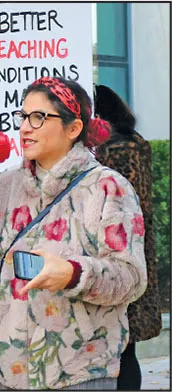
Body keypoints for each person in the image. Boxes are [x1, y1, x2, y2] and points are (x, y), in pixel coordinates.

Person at [0, 76, 146, 390]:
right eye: (23, 117)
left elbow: (130, 279)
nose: (24, 128)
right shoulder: (5, 186)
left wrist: (73, 274)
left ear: (73, 128)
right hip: (9, 373)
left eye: (38, 118)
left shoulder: (108, 188)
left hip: (79, 372)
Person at [93, 84, 161, 390]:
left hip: (118, 252)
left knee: (118, 346)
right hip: (138, 252)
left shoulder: (111, 150)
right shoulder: (137, 142)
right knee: (127, 346)